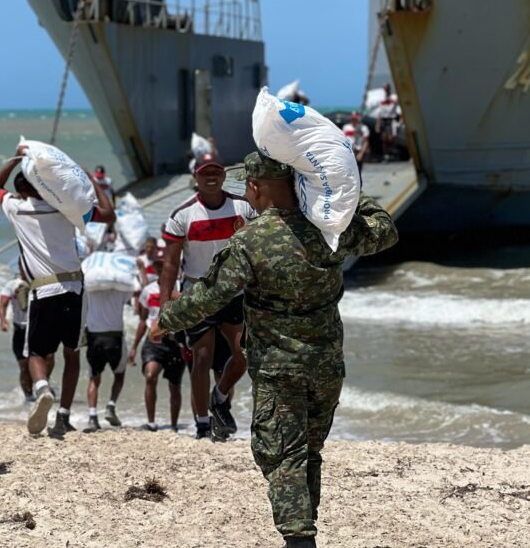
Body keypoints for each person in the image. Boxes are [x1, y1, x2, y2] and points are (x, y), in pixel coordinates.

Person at [151, 152, 398, 547]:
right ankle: (303, 531)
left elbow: (209, 296)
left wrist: (166, 320)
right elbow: (384, 230)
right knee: (308, 451)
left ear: (254, 188)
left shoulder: (252, 239)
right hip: (325, 365)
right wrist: (348, 191)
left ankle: (299, 540)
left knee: (283, 455)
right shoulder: (328, 228)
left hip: (277, 369)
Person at [0, 145, 116, 436]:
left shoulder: (16, 208)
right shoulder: (68, 209)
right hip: (74, 287)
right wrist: (89, 179)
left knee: (35, 354)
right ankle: (64, 414)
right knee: (71, 354)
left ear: (21, 190)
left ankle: (43, 388)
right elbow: (109, 215)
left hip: (43, 291)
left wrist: (15, 157)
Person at [160, 151, 256, 440]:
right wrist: (164, 309)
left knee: (244, 354)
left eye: (215, 171)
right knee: (201, 358)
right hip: (198, 291)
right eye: (205, 173)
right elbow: (169, 265)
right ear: (196, 177)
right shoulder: (182, 215)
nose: (211, 177)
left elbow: (256, 252)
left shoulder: (244, 208)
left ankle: (220, 394)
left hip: (235, 290)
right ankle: (202, 423)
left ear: (224, 175)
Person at [128, 248, 184, 431]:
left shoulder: (179, 290)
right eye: (160, 267)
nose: (163, 270)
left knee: (175, 385)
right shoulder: (148, 290)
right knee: (150, 375)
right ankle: (151, 422)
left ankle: (174, 425)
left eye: (166, 267)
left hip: (175, 342)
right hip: (154, 342)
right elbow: (143, 320)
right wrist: (134, 347)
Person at [82, 260, 140, 432]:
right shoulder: (120, 290)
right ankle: (111, 405)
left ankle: (92, 417)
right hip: (114, 338)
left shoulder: (90, 291)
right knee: (119, 375)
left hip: (94, 337)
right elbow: (134, 291)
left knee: (94, 378)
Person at [0, 275, 55, 403]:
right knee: (24, 366)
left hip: (41, 327)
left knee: (49, 358)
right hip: (21, 330)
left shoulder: (44, 280)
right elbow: (3, 304)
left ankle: (43, 384)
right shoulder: (12, 284)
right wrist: (2, 320)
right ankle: (29, 397)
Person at [375, 82, 399, 161]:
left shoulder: (394, 97)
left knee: (391, 137)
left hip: (391, 119)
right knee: (384, 138)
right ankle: (386, 154)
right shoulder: (382, 99)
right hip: (384, 119)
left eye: (387, 88)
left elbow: (394, 104)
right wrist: (377, 124)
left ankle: (393, 151)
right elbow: (380, 112)